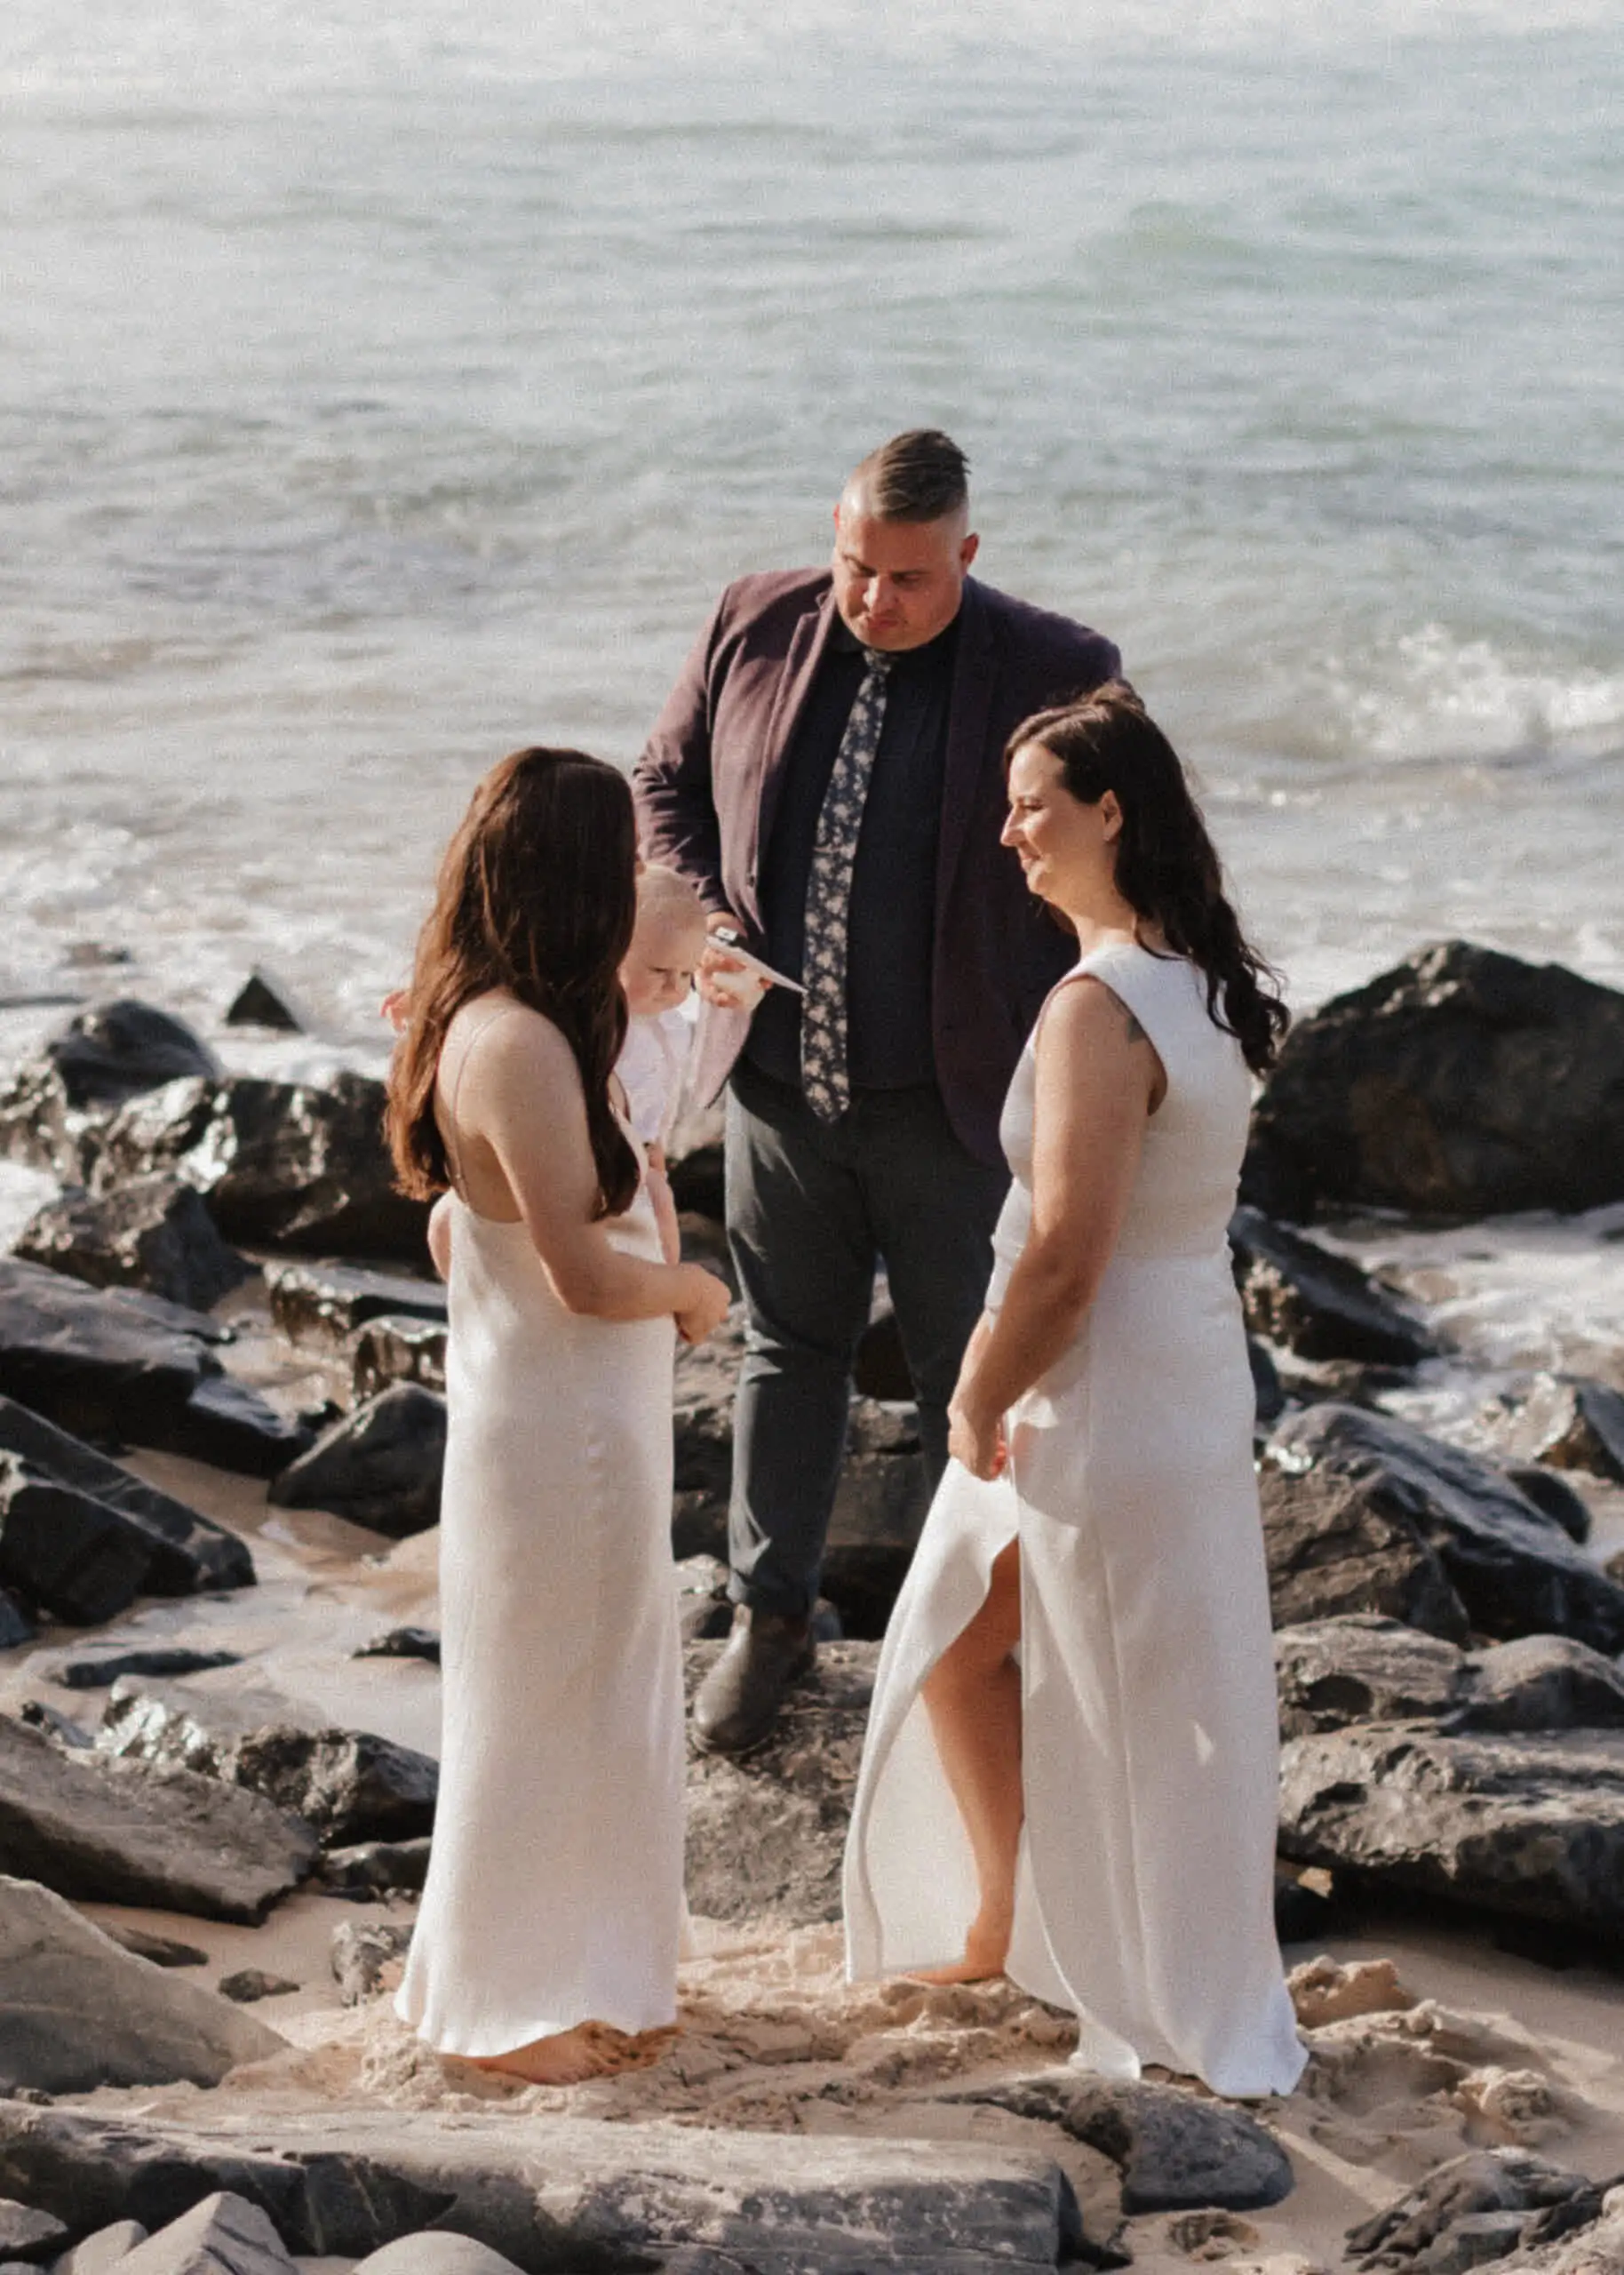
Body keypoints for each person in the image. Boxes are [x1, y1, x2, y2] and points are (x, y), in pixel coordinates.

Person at [842, 683, 1307, 2100]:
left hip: (1097, 1375)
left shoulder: (1101, 1006)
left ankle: (1147, 1984)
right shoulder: (1206, 986)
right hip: (1181, 1358)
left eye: (1035, 804)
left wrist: (977, 1393)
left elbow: (1066, 1250)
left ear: (1113, 811)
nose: (1010, 832)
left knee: (1123, 1690)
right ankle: (1002, 1920)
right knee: (983, 1640)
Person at [633, 429, 1120, 1754]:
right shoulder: (754, 616)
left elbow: (1121, 861)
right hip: (778, 1089)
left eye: (909, 578)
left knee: (985, 1381)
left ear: (967, 553)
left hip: (958, 1107)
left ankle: (973, 1642)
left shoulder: (1059, 670)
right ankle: (769, 1621)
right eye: (857, 567)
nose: (874, 601)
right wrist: (707, 919)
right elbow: (663, 784)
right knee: (787, 1353)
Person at [386, 746, 730, 2086]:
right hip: (566, 1429)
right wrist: (691, 1289)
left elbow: (451, 1233)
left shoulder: (501, 1018)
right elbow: (587, 1280)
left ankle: (589, 1970)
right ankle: (519, 2011)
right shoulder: (520, 1044)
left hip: (560, 1412)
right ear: (570, 881)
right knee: (553, 1699)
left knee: (589, 1692)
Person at [617, 862, 708, 1265]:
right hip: (592, 1158)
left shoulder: (670, 1026)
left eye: (687, 974)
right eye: (659, 971)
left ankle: (667, 1285)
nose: (675, 988)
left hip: (647, 1154)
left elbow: (666, 1087)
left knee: (662, 1217)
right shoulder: (589, 1018)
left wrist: (661, 1142)